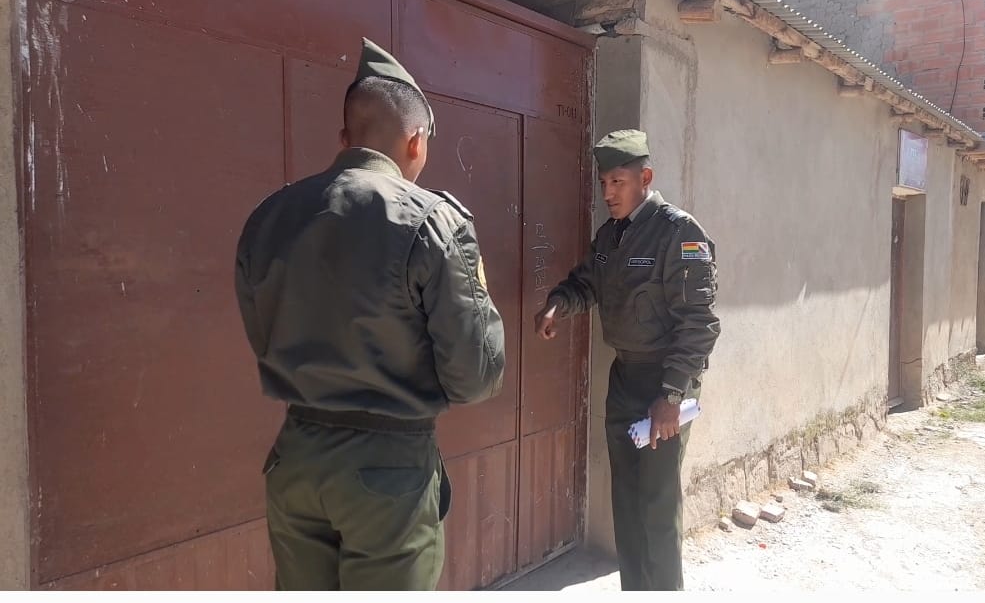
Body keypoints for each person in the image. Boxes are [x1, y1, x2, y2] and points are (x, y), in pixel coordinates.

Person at [234, 37, 506, 590]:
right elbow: (477, 375)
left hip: (296, 458)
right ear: (416, 140)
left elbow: (261, 333)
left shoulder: (270, 216)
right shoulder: (432, 221)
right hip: (390, 471)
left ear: (344, 139)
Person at [533, 129, 720, 591]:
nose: (609, 193)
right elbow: (587, 283)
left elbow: (699, 322)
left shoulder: (679, 233)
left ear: (645, 177)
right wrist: (559, 302)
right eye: (604, 184)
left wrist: (673, 394)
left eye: (618, 181)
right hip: (625, 380)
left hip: (664, 383)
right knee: (627, 503)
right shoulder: (610, 237)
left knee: (656, 507)